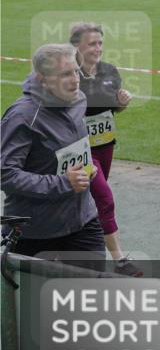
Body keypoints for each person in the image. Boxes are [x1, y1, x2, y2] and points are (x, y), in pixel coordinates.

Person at [1, 44, 104, 259]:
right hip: (36, 231)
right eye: (65, 74)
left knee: (93, 288)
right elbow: (6, 174)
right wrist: (65, 183)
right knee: (37, 293)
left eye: (76, 71)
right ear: (42, 80)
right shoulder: (23, 116)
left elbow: (73, 148)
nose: (76, 79)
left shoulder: (79, 100)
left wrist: (86, 167)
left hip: (83, 220)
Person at [70, 22, 141, 277]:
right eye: (92, 43)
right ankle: (120, 260)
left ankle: (78, 238)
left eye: (100, 43)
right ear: (77, 45)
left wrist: (121, 104)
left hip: (106, 148)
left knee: (90, 198)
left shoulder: (110, 71)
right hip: (82, 151)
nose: (97, 48)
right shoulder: (70, 76)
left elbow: (112, 110)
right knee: (105, 197)